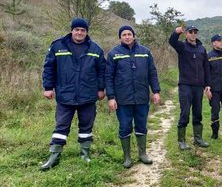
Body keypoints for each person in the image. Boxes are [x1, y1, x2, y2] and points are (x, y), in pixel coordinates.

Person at [41, 18, 106, 170]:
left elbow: (102, 71)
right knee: (61, 127)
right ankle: (54, 157)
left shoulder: (95, 49)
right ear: (72, 30)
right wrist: (48, 87)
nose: (79, 33)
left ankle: (85, 155)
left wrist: (101, 89)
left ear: (86, 32)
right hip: (65, 95)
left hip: (88, 95)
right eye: (77, 29)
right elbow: (49, 68)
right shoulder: (57, 46)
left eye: (83, 30)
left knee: (86, 127)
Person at [105, 25, 161, 168]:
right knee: (125, 127)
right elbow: (108, 77)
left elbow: (152, 74)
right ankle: (127, 157)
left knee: (141, 126)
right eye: (124, 34)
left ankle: (142, 154)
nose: (127, 36)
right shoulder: (113, 54)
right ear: (120, 37)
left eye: (129, 34)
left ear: (134, 36)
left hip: (142, 98)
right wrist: (111, 97)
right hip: (122, 99)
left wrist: (156, 91)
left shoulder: (145, 52)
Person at [169, 25, 211, 150]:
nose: (193, 34)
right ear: (186, 34)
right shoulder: (182, 47)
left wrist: (207, 85)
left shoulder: (202, 49)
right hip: (185, 85)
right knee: (185, 112)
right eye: (190, 32)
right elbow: (172, 41)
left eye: (195, 32)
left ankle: (198, 139)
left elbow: (206, 68)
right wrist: (176, 33)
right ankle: (181, 141)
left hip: (199, 86)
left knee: (197, 113)